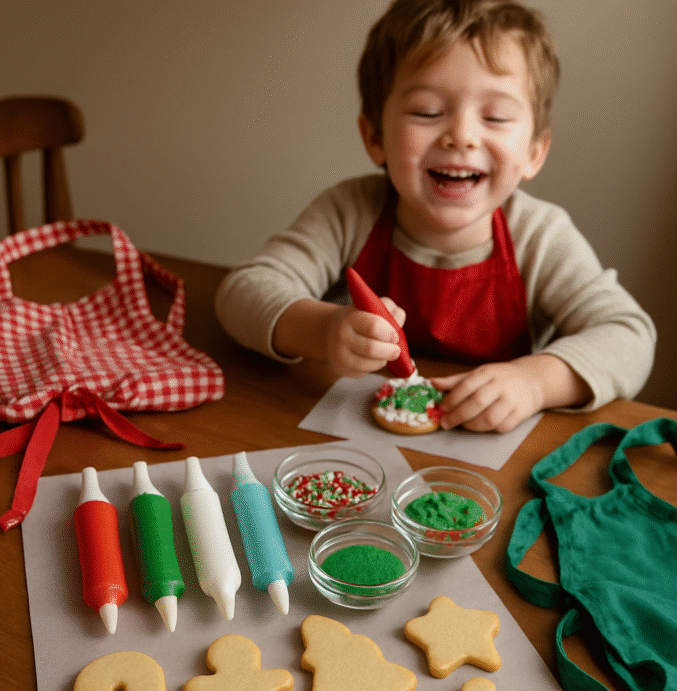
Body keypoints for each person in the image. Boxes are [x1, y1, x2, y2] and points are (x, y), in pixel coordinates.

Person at [216, 0, 655, 433]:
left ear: (534, 152)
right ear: (375, 137)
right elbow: (242, 293)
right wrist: (325, 331)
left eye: (496, 116)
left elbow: (629, 337)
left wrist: (535, 382)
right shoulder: (349, 211)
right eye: (428, 112)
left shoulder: (540, 236)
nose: (461, 135)